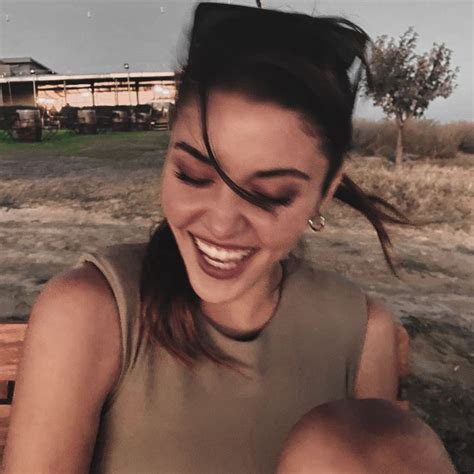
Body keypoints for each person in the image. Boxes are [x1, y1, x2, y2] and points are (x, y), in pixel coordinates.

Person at [3, 3, 456, 473]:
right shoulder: (91, 313)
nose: (221, 224)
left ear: (326, 192)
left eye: (268, 195)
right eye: (193, 174)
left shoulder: (362, 335)